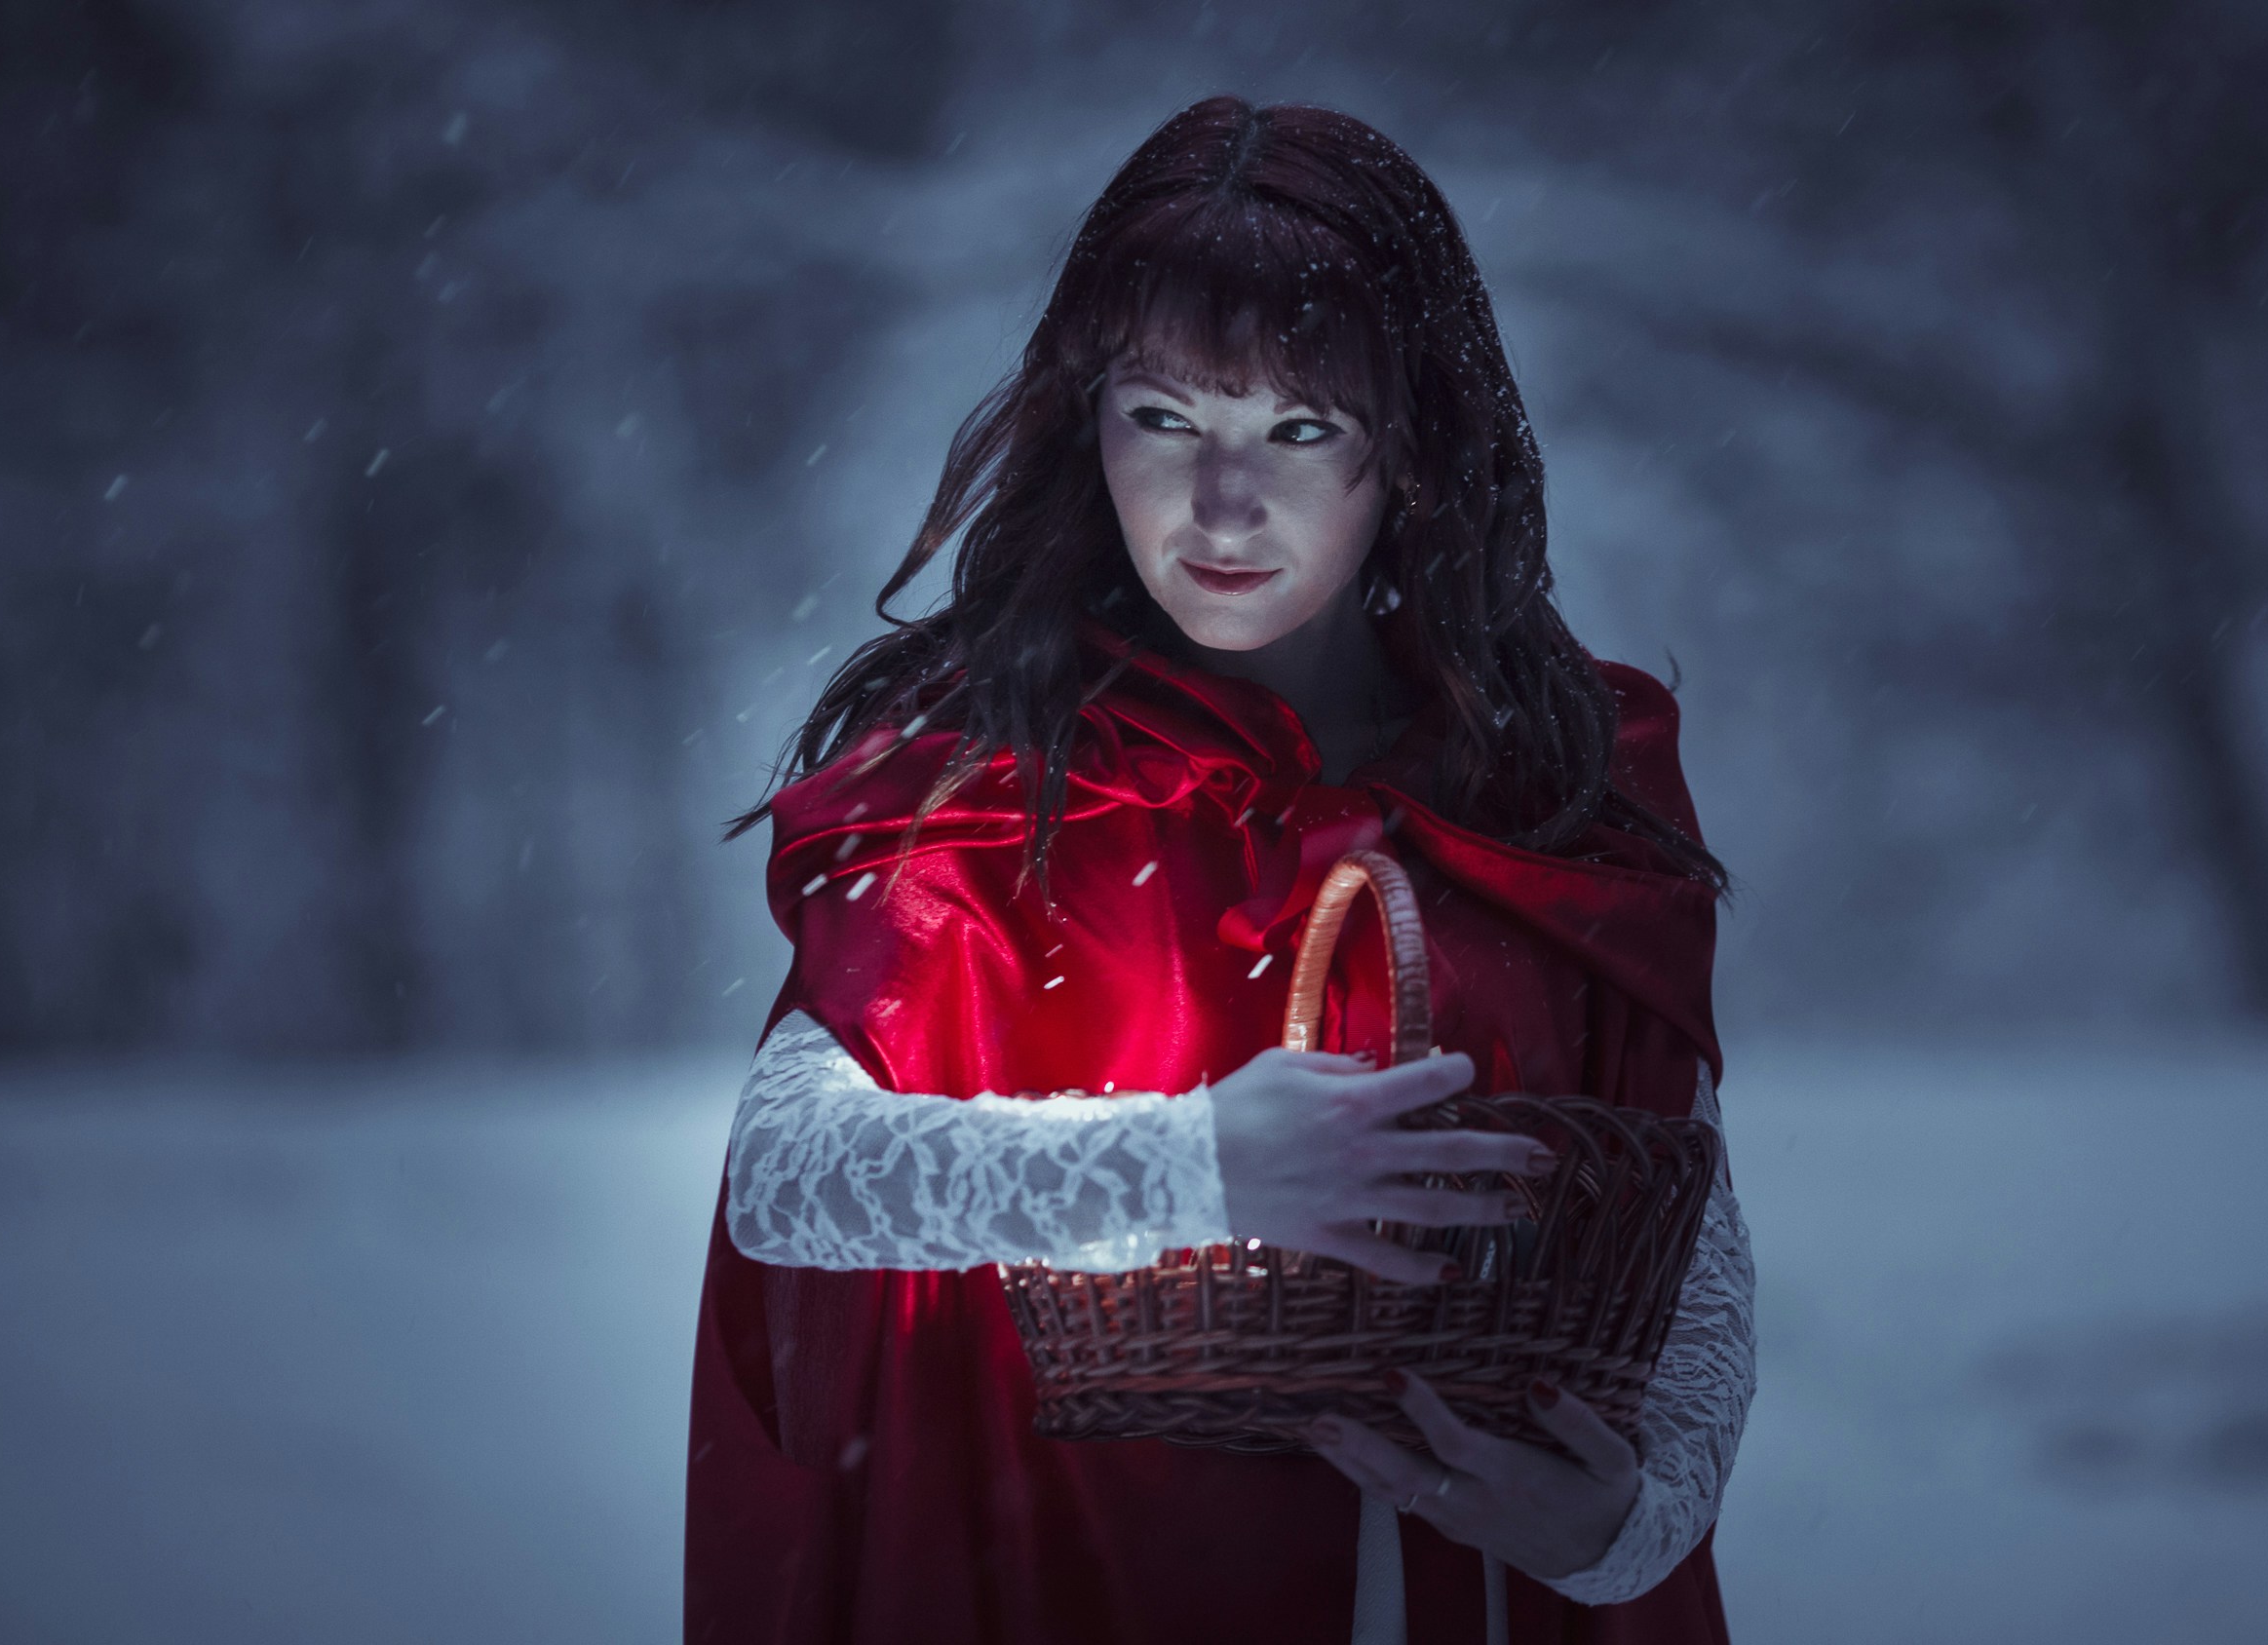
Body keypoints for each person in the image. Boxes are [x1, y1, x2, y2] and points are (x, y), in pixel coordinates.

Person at [684, 96, 1756, 1645]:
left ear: (1413, 453)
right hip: (1070, 1587)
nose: (1221, 505)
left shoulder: (1550, 788)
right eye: (1165, 420)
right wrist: (1196, 1166)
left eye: (1300, 430)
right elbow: (791, 1178)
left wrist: (1625, 1526)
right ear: (1089, 426)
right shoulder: (986, 788)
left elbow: (1695, 1230)